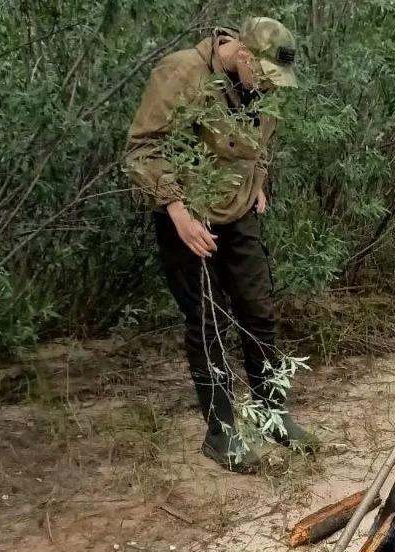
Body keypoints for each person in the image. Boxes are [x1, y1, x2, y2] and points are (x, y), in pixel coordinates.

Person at [125, 17, 317, 474]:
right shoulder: (182, 73)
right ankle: (221, 430)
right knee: (208, 320)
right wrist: (177, 211)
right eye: (266, 75)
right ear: (245, 55)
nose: (270, 87)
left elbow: (258, 140)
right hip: (188, 213)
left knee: (258, 310)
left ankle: (272, 413)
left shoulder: (258, 80)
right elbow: (142, 151)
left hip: (240, 208)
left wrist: (258, 180)